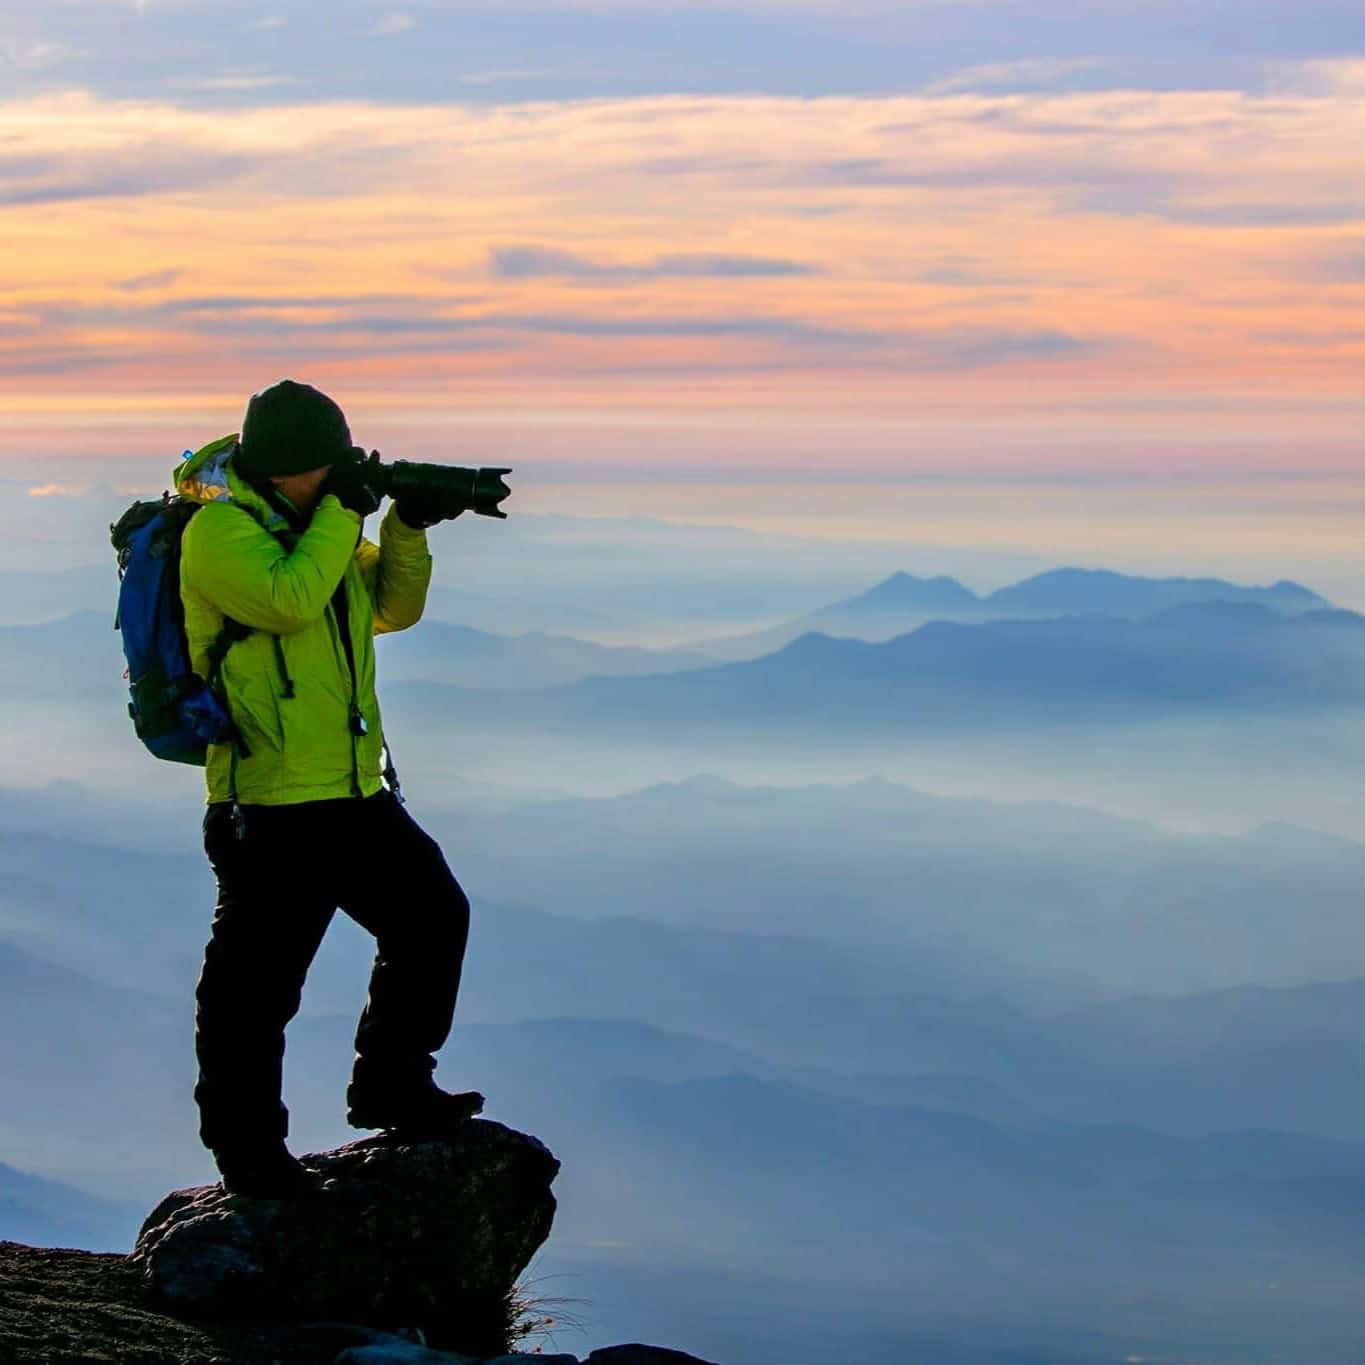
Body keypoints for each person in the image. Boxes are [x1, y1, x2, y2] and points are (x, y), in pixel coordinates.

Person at [176, 378, 483, 1198]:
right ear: (291, 466)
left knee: (431, 916)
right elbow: (287, 601)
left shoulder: (322, 526)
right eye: (332, 461)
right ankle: (248, 1154)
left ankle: (391, 1083)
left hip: (353, 788)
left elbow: (391, 609)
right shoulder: (219, 533)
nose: (346, 469)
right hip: (269, 804)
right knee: (254, 992)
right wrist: (347, 514)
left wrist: (408, 527)